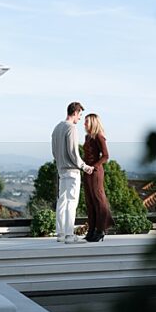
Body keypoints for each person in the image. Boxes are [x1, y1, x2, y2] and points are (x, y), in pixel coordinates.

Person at [51, 102, 95, 244]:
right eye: (80, 115)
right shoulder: (71, 128)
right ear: (75, 112)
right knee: (71, 202)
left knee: (62, 201)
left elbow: (54, 152)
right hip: (72, 172)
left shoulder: (57, 128)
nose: (80, 118)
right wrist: (84, 166)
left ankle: (61, 234)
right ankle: (70, 235)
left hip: (61, 171)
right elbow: (73, 152)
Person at [82, 113, 114, 242]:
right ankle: (91, 230)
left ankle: (101, 230)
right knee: (89, 201)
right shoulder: (87, 137)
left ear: (93, 123)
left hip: (95, 172)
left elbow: (105, 156)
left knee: (98, 200)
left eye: (86, 122)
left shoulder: (99, 136)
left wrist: (93, 167)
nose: (84, 124)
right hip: (87, 171)